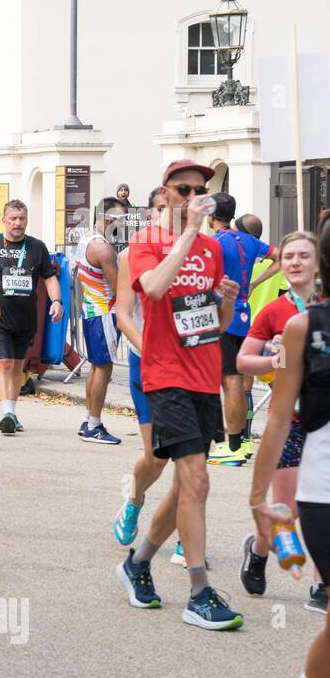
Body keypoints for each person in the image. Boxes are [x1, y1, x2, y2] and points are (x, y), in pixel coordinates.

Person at [117, 159, 242, 630]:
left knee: (186, 483)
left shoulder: (212, 249)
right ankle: (199, 591)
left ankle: (138, 562)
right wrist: (186, 234)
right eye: (182, 189)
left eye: (200, 189)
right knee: (197, 480)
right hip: (165, 373)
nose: (192, 196)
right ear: (166, 194)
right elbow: (153, 288)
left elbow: (215, 323)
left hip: (203, 373)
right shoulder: (146, 242)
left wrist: (225, 301)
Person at [251, 221, 330, 678]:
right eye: (290, 255)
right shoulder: (302, 324)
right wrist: (259, 497)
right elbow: (278, 415)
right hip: (323, 484)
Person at [237, 231, 322, 609]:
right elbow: (243, 361)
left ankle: (322, 584)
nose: (296, 262)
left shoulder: (326, 309)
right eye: (289, 256)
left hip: (323, 421)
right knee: (284, 512)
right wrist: (276, 360)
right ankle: (258, 550)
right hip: (286, 421)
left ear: (318, 263)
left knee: (324, 507)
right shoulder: (273, 311)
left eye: (304, 255)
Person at [112, 187, 170, 547]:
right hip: (148, 361)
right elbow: (123, 314)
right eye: (162, 208)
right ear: (150, 214)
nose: (169, 215)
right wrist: (150, 350)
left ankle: (187, 536)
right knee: (156, 457)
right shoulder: (133, 254)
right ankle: (134, 500)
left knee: (191, 460)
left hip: (190, 365)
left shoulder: (202, 253)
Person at [208, 193, 275, 466]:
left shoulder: (213, 242)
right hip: (244, 313)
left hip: (222, 313)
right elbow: (280, 256)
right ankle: (237, 441)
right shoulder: (248, 240)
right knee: (236, 379)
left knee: (230, 378)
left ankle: (233, 445)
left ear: (211, 216)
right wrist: (255, 282)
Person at [0, 200, 61, 434]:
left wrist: (57, 302)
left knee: (18, 366)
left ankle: (12, 411)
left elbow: (49, 277)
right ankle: (6, 412)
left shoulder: (37, 247)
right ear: (4, 220)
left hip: (26, 318)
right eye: (13, 219)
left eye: (22, 219)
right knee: (4, 363)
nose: (18, 223)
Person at [74, 197, 125, 444]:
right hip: (104, 311)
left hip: (91, 310)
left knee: (96, 367)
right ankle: (94, 424)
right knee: (103, 368)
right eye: (120, 220)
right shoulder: (103, 247)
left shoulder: (85, 240)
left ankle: (89, 420)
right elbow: (118, 288)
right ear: (107, 219)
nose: (123, 226)